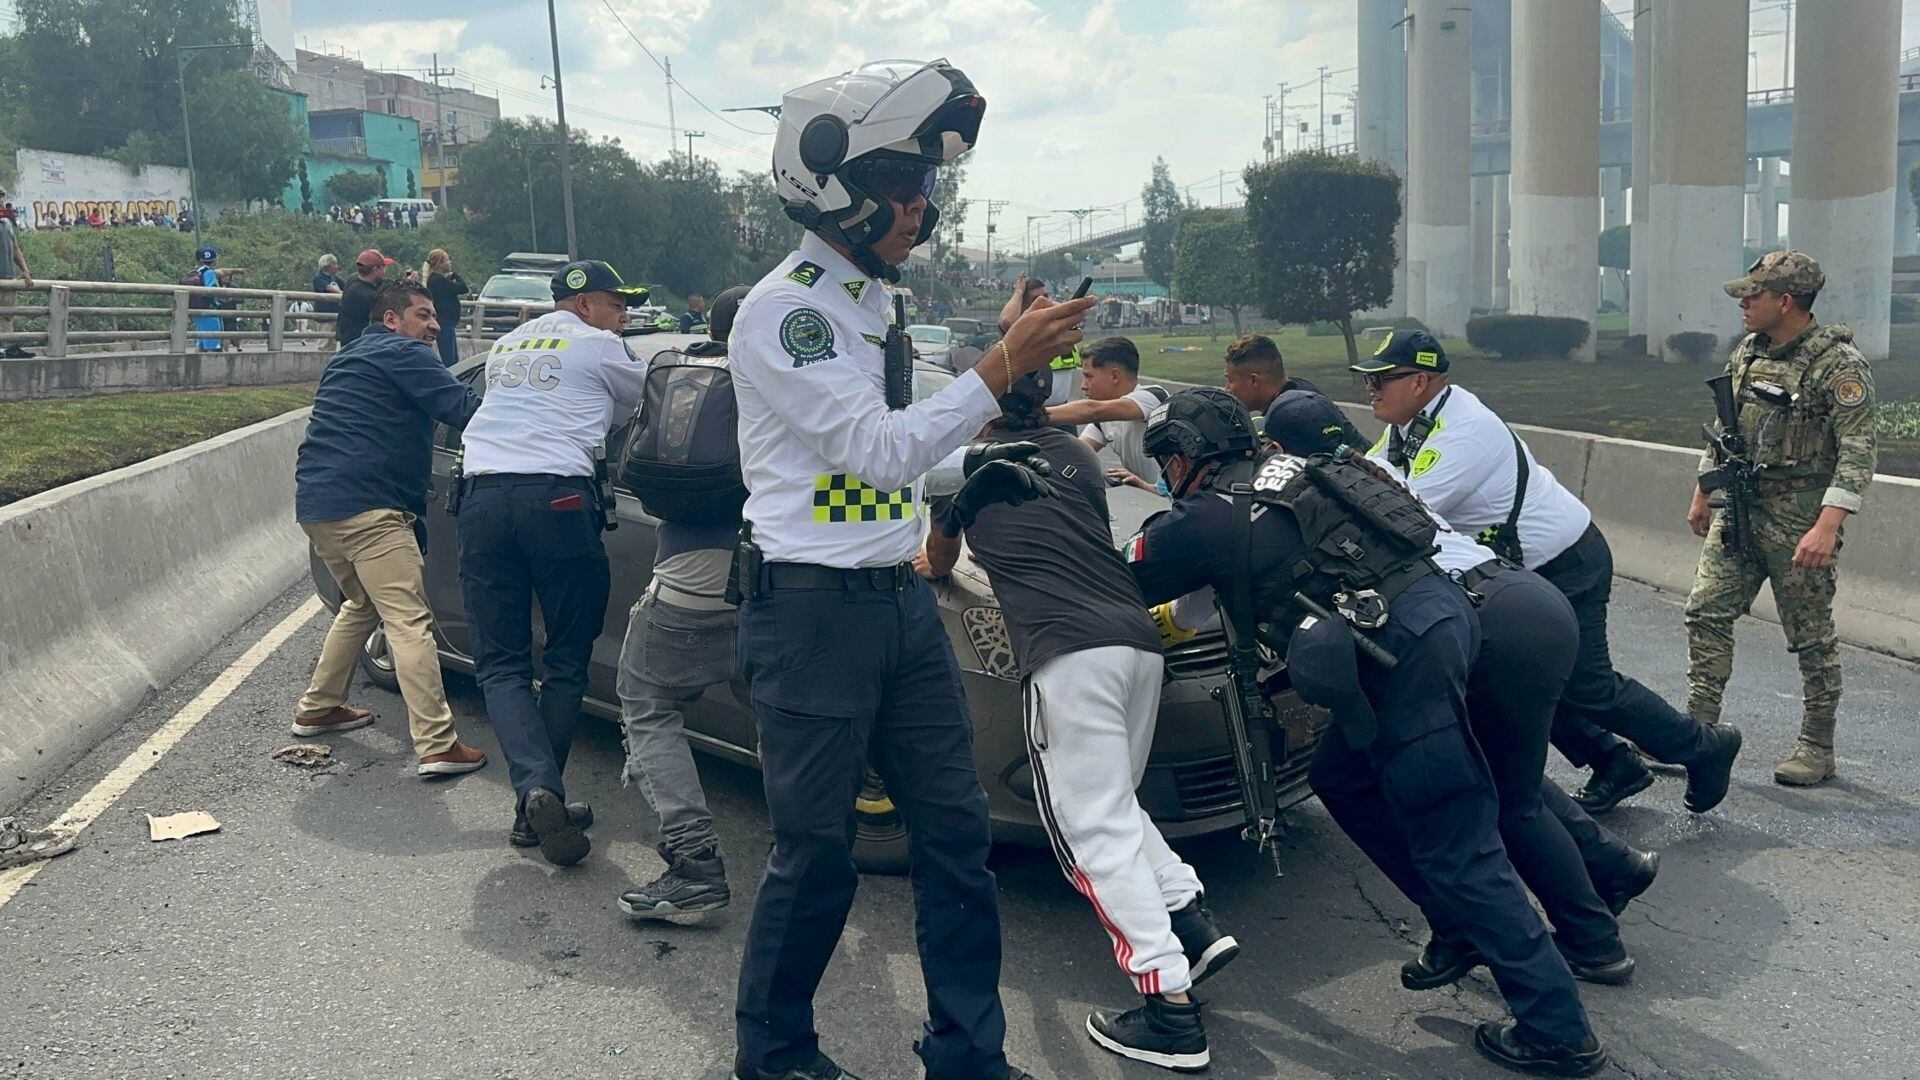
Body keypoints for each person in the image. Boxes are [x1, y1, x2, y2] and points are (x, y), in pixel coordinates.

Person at [729, 59, 1093, 1080]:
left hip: (897, 603)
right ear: (831, 180)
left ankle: (968, 1053)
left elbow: (921, 439)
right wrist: (999, 367)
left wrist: (1007, 367)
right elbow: (880, 451)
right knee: (815, 858)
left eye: (925, 186)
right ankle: (776, 1054)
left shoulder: (870, 304)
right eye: (901, 183)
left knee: (956, 840)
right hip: (812, 621)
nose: (920, 207)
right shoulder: (786, 310)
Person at [1126, 389, 1607, 1077]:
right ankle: (1457, 924)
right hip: (1440, 620)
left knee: (1455, 838)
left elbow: (1113, 580)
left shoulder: (1206, 516)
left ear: (1187, 455)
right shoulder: (1293, 469)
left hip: (1399, 659)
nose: (1167, 473)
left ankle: (1558, 1031)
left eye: (1168, 458)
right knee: (1341, 778)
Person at [1264, 389, 1659, 990]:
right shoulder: (1373, 472)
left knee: (1503, 796)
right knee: (1503, 776)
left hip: (1485, 624)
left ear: (1274, 450)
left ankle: (1590, 942)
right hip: (1516, 598)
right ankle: (1608, 874)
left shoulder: (1300, 498)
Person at [919, 367, 1236, 1074]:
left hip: (1068, 655)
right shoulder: (1077, 456)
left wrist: (933, 542)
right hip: (1136, 644)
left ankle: (1169, 1009)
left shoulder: (964, 472)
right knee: (1115, 807)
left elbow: (938, 558)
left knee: (1088, 830)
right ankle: (1189, 920)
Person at [1352, 330, 1743, 816]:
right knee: (1515, 673)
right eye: (1368, 379)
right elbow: (1370, 478)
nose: (1370, 389)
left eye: (1380, 379)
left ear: (1420, 381)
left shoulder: (1463, 431)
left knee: (1588, 686)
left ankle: (1703, 746)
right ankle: (1613, 761)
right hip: (1520, 571)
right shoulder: (1413, 425)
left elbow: (1399, 511)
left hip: (1566, 562)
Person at [454, 259, 653, 867]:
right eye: (618, 306)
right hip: (558, 500)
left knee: (501, 663)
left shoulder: (506, 345)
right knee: (567, 657)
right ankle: (541, 794)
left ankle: (536, 797)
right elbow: (660, 402)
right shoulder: (599, 345)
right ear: (587, 305)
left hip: (481, 499)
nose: (625, 318)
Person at [1686, 251, 1877, 787]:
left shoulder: (1838, 366)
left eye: (1753, 295)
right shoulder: (1748, 351)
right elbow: (1726, 429)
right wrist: (1705, 490)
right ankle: (1697, 733)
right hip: (1742, 507)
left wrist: (1828, 524)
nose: (1743, 305)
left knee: (1810, 635)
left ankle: (1817, 746)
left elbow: (1858, 450)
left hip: (1800, 518)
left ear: (1785, 301)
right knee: (1705, 613)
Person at [293, 282, 489, 779]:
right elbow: (467, 411)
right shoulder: (406, 353)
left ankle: (319, 706)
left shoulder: (350, 357)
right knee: (409, 621)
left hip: (318, 505)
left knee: (362, 604)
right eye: (424, 315)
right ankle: (438, 743)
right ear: (392, 320)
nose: (435, 325)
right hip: (371, 508)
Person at [614, 283, 752, 919]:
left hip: (695, 571)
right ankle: (812, 851)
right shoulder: (807, 380)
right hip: (790, 577)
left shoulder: (691, 374)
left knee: (646, 704)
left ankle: (693, 862)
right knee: (784, 717)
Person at [1042, 336, 1169, 493]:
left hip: (1179, 501)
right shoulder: (1103, 421)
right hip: (1148, 497)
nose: (1083, 386)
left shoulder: (1153, 397)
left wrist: (1029, 416)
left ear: (1114, 376)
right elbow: (1076, 454)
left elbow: (1091, 410)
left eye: (1088, 377)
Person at [1220, 332, 1360, 444]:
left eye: (1230, 380)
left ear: (1253, 380)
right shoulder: (1300, 394)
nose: (1227, 389)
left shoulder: (1295, 415)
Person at [998, 273, 1083, 405]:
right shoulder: (1023, 330)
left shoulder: (1057, 324)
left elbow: (1073, 311)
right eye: (1035, 299)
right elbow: (1007, 321)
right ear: (1024, 304)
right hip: (1034, 413)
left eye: (1046, 296)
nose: (1043, 301)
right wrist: (1018, 292)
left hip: (1062, 412)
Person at [189, 247, 247, 353]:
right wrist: (225, 295)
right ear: (215, 260)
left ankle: (195, 368)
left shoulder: (198, 272)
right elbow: (212, 289)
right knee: (213, 345)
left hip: (199, 313)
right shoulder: (210, 273)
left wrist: (236, 271)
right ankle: (212, 368)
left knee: (201, 344)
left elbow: (222, 272)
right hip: (210, 312)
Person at [336, 249, 389, 346]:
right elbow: (387, 302)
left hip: (352, 338)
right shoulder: (361, 292)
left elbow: (386, 283)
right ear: (375, 270)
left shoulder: (354, 278)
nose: (386, 270)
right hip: (356, 342)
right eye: (384, 267)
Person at [424, 248, 467, 366]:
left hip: (448, 322)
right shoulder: (437, 281)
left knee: (453, 357)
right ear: (439, 263)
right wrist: (455, 276)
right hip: (443, 322)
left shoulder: (440, 280)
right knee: (449, 358)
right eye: (447, 260)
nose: (450, 263)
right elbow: (463, 288)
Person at [0, 199, 32, 359]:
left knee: (7, 317)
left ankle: (8, 348)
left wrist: (25, 270)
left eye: (1, 196)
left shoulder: (6, 223)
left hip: (8, 279)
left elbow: (15, 249)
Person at [312, 254, 346, 332]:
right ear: (326, 266)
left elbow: (347, 286)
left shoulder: (335, 278)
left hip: (334, 316)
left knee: (332, 342)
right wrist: (343, 294)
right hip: (324, 317)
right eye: (334, 264)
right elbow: (330, 288)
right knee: (324, 342)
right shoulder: (318, 278)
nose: (337, 266)